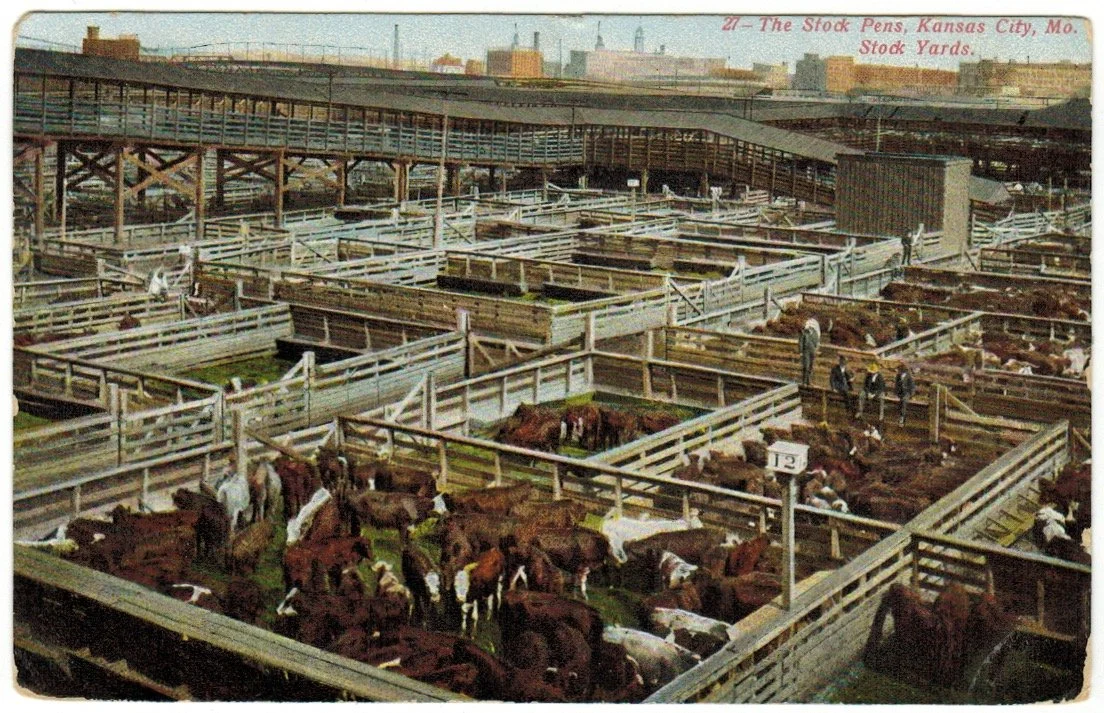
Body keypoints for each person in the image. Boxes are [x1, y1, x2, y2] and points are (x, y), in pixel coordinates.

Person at [798, 318, 821, 386]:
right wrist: (801, 351)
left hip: (812, 351)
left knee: (811, 367)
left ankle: (809, 381)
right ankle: (804, 381)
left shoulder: (815, 333)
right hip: (806, 351)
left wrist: (816, 348)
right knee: (806, 366)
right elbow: (801, 342)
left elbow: (816, 342)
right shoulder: (804, 332)